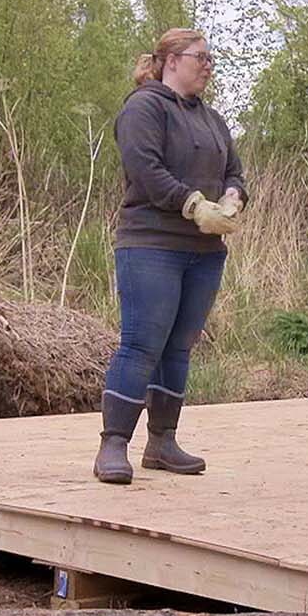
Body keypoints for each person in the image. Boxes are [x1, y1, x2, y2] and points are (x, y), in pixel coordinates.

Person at [92, 28, 245, 485]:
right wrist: (193, 204)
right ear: (172, 60)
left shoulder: (213, 120)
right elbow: (146, 169)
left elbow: (234, 170)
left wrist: (233, 197)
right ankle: (113, 444)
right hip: (151, 244)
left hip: (204, 251)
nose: (208, 66)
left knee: (179, 346)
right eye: (201, 57)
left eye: (211, 59)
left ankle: (162, 442)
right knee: (141, 344)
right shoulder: (144, 108)